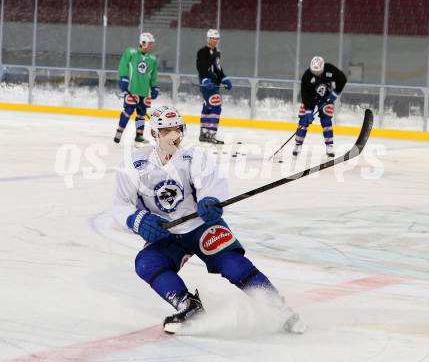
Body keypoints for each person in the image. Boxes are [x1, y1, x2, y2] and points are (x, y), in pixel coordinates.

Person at [112, 105, 306, 335]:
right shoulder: (134, 165)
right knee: (146, 263)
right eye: (166, 131)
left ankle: (278, 308)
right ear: (154, 134)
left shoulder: (193, 158)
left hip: (201, 225)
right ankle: (188, 306)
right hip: (167, 234)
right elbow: (121, 205)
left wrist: (210, 200)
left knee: (232, 264)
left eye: (177, 129)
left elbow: (213, 183)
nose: (174, 136)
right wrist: (138, 220)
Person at [292, 56, 347, 157]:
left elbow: (342, 79)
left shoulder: (329, 69)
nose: (316, 73)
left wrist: (335, 93)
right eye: (314, 71)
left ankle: (329, 146)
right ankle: (297, 144)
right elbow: (305, 94)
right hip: (310, 98)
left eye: (318, 71)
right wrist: (309, 111)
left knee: (326, 121)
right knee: (303, 120)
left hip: (327, 98)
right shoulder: (307, 76)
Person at [114, 32, 160, 144]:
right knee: (128, 111)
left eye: (151, 44)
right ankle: (119, 131)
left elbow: (153, 75)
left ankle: (139, 135)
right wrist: (123, 78)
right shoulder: (131, 52)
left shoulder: (152, 59)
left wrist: (154, 87)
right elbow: (123, 65)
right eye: (149, 43)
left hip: (144, 91)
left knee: (141, 114)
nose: (151, 46)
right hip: (132, 88)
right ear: (142, 42)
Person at [196, 28, 232, 145]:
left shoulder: (217, 52)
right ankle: (211, 133)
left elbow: (218, 69)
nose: (215, 40)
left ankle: (204, 132)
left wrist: (224, 78)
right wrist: (205, 80)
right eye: (213, 38)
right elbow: (201, 67)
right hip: (207, 85)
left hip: (214, 85)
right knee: (216, 107)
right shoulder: (202, 52)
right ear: (208, 39)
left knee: (208, 107)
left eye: (217, 38)